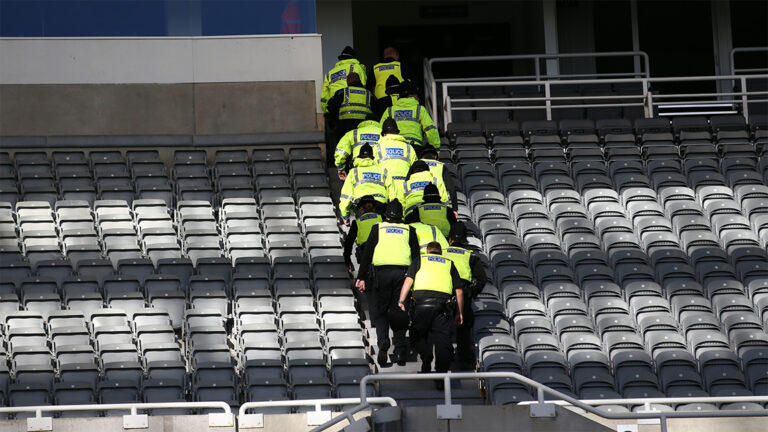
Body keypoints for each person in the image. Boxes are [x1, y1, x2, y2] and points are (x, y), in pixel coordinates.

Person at [357, 199, 420, 367]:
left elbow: (367, 254)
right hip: (403, 274)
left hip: (380, 275)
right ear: (402, 217)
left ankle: (384, 341)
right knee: (400, 311)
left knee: (381, 312)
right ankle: (400, 350)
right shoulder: (410, 230)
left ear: (386, 216)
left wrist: (361, 276)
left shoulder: (378, 228)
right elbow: (416, 258)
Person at [397, 241, 465, 378]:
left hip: (422, 306)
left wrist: (401, 301)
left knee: (416, 335)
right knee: (442, 343)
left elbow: (408, 281)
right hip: (443, 308)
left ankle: (426, 355)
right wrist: (460, 312)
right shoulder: (448, 263)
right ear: (440, 252)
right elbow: (459, 291)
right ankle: (441, 378)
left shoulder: (420, 260)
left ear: (428, 251)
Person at [444, 222, 487, 370]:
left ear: (450, 239)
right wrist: (472, 293)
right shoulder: (471, 256)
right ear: (464, 240)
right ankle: (463, 360)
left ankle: (445, 354)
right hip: (464, 293)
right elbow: (482, 279)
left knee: (443, 326)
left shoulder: (442, 252)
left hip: (444, 291)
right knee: (464, 328)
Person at [338, 143, 394, 224]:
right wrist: (391, 212)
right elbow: (392, 193)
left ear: (359, 157)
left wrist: (345, 216)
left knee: (363, 232)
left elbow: (346, 196)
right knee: (378, 233)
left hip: (362, 207)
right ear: (372, 158)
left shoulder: (354, 172)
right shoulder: (383, 171)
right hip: (380, 206)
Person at [327, 73, 374, 162]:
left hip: (344, 126)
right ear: (359, 80)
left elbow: (332, 108)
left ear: (348, 81)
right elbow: (376, 110)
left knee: (344, 148)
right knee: (360, 147)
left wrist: (334, 122)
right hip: (363, 126)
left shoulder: (342, 92)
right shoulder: (369, 94)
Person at [381, 80, 440, 150]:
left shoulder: (390, 110)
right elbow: (431, 130)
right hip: (415, 148)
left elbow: (380, 130)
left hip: (394, 148)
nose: (418, 98)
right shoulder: (420, 109)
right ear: (411, 95)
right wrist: (435, 150)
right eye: (417, 94)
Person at [376, 118, 416, 199]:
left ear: (383, 134)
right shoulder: (409, 147)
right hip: (405, 189)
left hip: (385, 189)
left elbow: (373, 169)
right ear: (397, 133)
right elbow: (415, 168)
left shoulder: (377, 148)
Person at [320, 46, 368, 114]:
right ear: (353, 58)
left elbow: (324, 95)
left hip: (335, 107)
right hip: (352, 106)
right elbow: (363, 87)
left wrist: (327, 111)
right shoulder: (356, 67)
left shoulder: (330, 73)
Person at [342, 195, 382, 271]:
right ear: (374, 208)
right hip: (380, 250)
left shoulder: (357, 222)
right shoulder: (381, 218)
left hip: (365, 252)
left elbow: (348, 243)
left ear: (361, 209)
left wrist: (347, 261)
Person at [418, 146, 458, 212]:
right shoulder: (441, 165)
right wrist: (455, 209)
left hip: (420, 203)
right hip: (440, 204)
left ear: (422, 157)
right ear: (436, 157)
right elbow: (451, 188)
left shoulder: (416, 165)